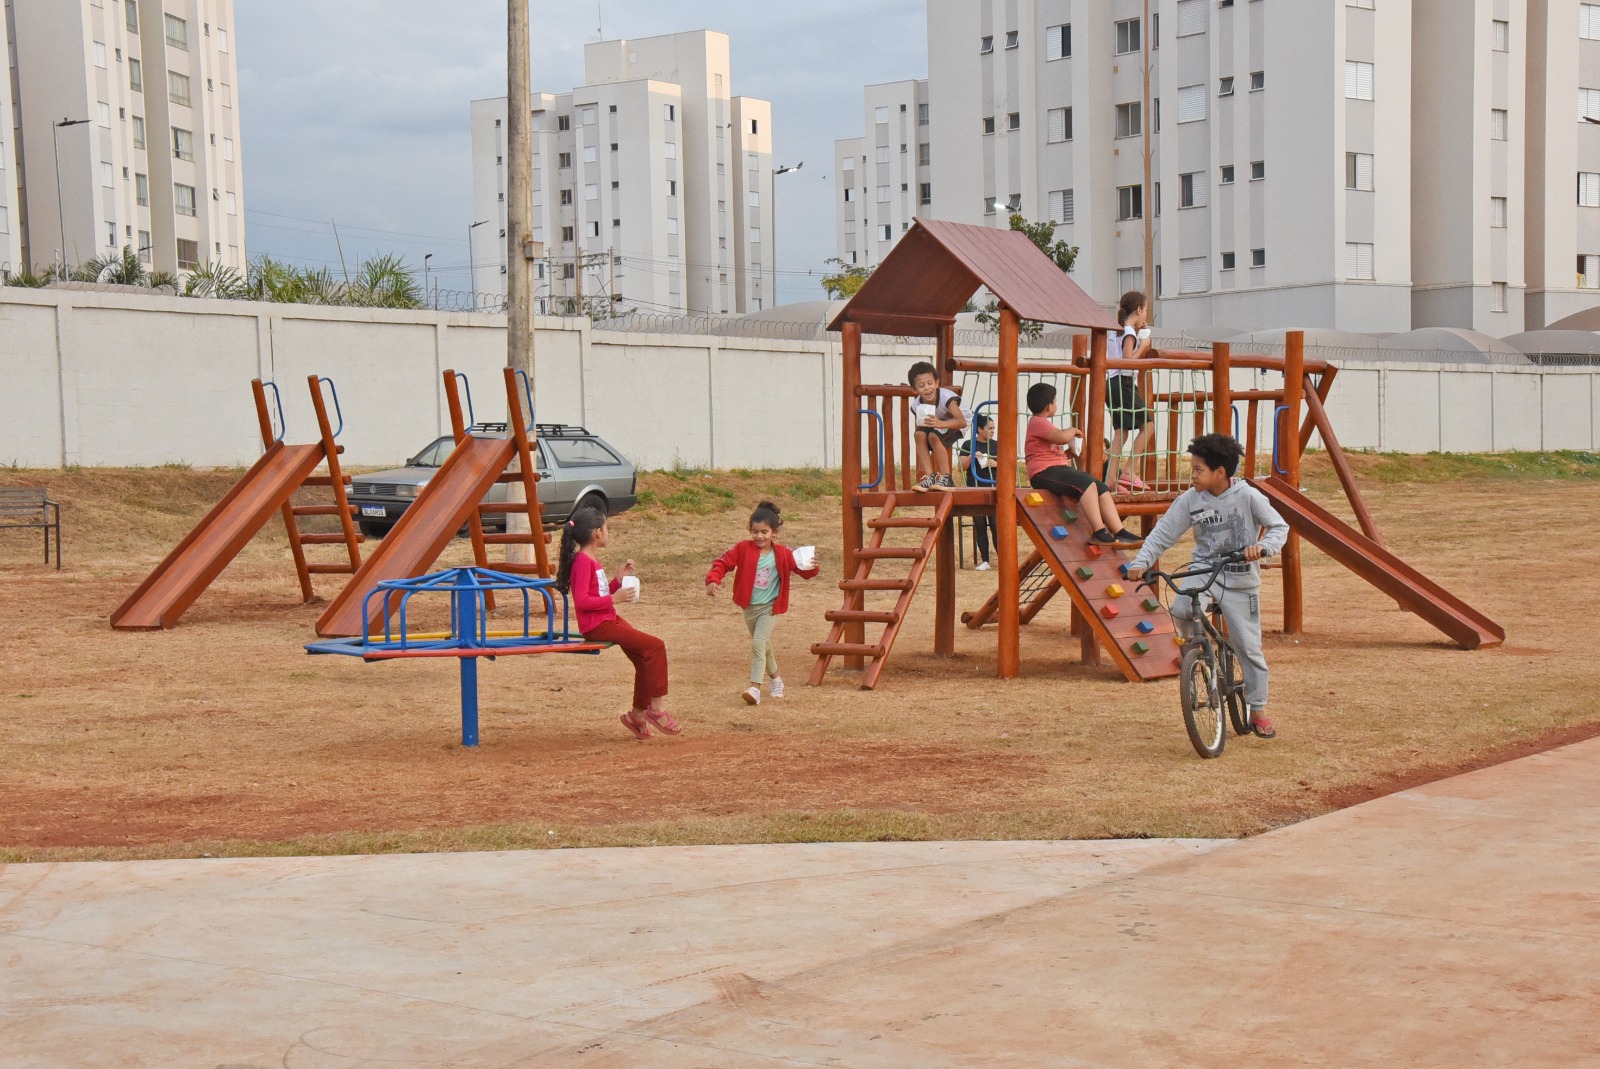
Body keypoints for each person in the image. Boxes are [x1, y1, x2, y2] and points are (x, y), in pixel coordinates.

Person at [1124, 434, 1289, 739]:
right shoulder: (1190, 499)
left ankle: (1259, 710)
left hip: (1240, 578)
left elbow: (1280, 526)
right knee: (1181, 607)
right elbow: (1163, 533)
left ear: (1220, 473)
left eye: (1199, 470)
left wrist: (1263, 547)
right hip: (1204, 570)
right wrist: (1141, 562)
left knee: (1248, 648)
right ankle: (1196, 653)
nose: (1193, 476)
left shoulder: (1247, 496)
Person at [556, 506, 678, 740]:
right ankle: (657, 709)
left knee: (645, 656)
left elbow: (596, 593)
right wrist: (615, 598)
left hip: (608, 618)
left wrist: (616, 582)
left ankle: (636, 717)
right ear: (596, 533)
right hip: (598, 626)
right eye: (606, 528)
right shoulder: (583, 562)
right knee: (655, 645)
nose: (608, 532)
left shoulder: (591, 559)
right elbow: (582, 601)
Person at [705, 501, 820, 705]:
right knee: (764, 645)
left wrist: (812, 566)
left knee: (757, 643)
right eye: (755, 531)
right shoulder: (742, 549)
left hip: (770, 607)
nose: (759, 536)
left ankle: (755, 688)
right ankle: (776, 679)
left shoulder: (783, 553)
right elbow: (723, 563)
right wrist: (714, 580)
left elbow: (804, 571)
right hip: (749, 607)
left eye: (764, 532)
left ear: (774, 532)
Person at [1025, 382, 1142, 544]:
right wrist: (1073, 430)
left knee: (1100, 487)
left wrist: (1070, 453)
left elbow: (1051, 452)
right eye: (1055, 401)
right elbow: (1062, 437)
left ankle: (1119, 530)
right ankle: (1099, 530)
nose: (1056, 404)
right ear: (1049, 406)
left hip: (1053, 469)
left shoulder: (1043, 424)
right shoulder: (1038, 422)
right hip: (1042, 473)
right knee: (1086, 483)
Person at [1106, 290, 1157, 492]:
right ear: (1138, 310)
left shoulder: (1115, 331)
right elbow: (1127, 362)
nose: (1146, 316)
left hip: (1111, 382)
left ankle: (1110, 479)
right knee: (1149, 426)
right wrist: (1143, 346)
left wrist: (1137, 333)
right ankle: (1128, 471)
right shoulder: (1128, 333)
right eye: (1145, 310)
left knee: (1122, 432)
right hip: (1123, 383)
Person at [907, 360, 968, 492]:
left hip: (958, 422)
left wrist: (940, 423)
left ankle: (947, 478)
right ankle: (930, 477)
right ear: (914, 389)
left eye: (930, 383)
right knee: (919, 434)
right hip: (939, 422)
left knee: (934, 436)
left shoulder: (947, 398)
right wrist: (922, 450)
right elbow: (920, 430)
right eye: (921, 385)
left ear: (937, 382)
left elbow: (962, 421)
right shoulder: (916, 405)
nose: (927, 388)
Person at [959, 412, 999, 570]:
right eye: (989, 428)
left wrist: (996, 464)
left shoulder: (996, 445)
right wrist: (973, 456)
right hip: (975, 487)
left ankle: (1001, 558)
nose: (992, 431)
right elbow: (962, 466)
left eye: (993, 428)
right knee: (979, 523)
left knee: (996, 524)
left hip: (993, 487)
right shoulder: (968, 445)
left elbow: (1008, 465)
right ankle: (985, 560)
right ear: (980, 429)